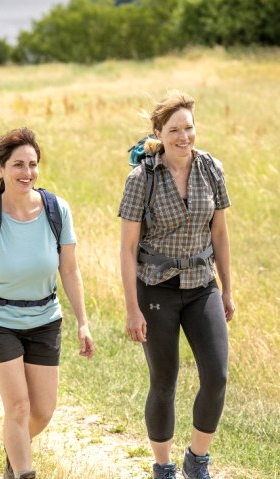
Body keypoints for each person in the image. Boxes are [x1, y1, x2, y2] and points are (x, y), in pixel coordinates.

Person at [0, 127, 95, 479]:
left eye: (32, 164)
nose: (27, 173)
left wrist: (82, 321)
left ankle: (15, 452)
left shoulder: (58, 210)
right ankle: (25, 471)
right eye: (18, 165)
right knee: (18, 406)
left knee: (41, 411)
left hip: (44, 318)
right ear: (0, 169)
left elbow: (70, 269)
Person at [118, 91, 235, 479]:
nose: (183, 136)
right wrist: (132, 307)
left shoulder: (211, 169)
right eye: (174, 130)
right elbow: (128, 247)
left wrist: (228, 291)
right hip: (156, 289)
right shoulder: (141, 179)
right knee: (164, 382)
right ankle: (163, 467)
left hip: (203, 286)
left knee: (216, 375)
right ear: (159, 133)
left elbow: (219, 233)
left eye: (189, 128)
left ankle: (196, 460)